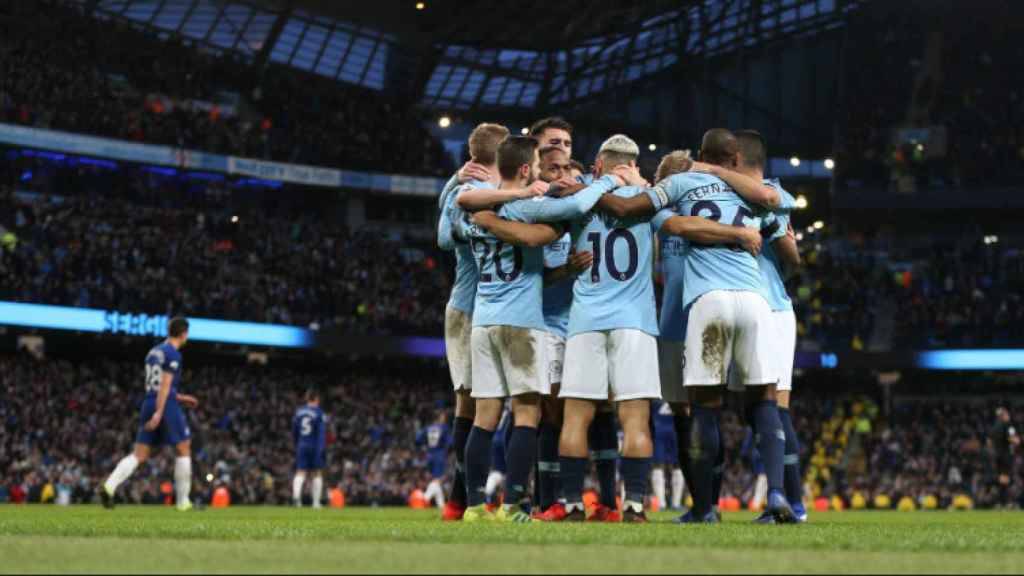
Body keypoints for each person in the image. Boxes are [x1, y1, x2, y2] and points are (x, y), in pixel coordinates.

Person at [455, 136, 625, 522]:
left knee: (484, 416)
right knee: (528, 413)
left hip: (483, 321)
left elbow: (463, 207)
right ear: (527, 169)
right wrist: (609, 182)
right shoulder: (528, 207)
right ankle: (514, 505)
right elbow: (576, 206)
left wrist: (563, 267)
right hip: (521, 322)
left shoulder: (481, 207)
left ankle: (475, 505)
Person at [643, 129, 792, 524]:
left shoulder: (668, 211)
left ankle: (705, 507)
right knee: (761, 399)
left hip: (693, 314)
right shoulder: (742, 199)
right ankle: (773, 494)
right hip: (745, 302)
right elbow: (779, 212)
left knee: (698, 411)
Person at [731, 129, 805, 523]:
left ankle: (791, 502)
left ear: (739, 160)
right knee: (759, 408)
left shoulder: (768, 198)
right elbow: (793, 263)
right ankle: (790, 501)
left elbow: (793, 257)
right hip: (758, 307)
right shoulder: (767, 197)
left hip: (770, 310)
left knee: (772, 406)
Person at [100, 317, 197, 511]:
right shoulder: (173, 354)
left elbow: (154, 385)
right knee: (184, 448)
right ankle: (183, 502)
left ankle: (109, 486)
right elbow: (164, 385)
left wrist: (179, 397)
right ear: (183, 333)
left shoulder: (154, 352)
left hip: (149, 401)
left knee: (140, 454)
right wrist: (160, 412)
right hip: (164, 405)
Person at [292, 389, 327, 509]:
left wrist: (297, 443)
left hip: (302, 444)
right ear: (316, 399)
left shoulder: (299, 412)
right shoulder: (319, 413)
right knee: (317, 473)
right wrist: (321, 448)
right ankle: (316, 503)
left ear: (307, 399)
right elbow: (321, 433)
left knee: (300, 471)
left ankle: (296, 499)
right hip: (315, 445)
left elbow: (294, 431)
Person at [417, 412, 453, 509]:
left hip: (429, 456)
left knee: (435, 480)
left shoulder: (427, 428)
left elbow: (418, 439)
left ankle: (441, 505)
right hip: (439, 456)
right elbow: (451, 442)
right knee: (438, 480)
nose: (444, 418)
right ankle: (424, 499)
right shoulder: (444, 428)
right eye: (443, 416)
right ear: (439, 417)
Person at [989, 406, 1020, 508]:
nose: (1008, 416)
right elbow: (1014, 440)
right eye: (1007, 414)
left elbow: (989, 442)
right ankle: (1007, 503)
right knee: (1006, 479)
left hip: (997, 455)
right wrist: (1018, 441)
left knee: (1001, 479)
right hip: (1006, 455)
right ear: (1003, 415)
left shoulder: (994, 427)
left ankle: (1000, 502)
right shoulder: (1008, 425)